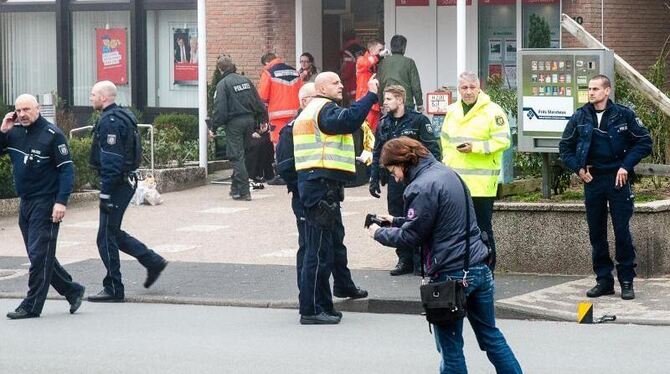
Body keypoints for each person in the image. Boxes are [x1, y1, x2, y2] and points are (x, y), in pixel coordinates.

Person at [369, 137, 522, 374]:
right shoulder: (448, 174)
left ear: (404, 162)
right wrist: (395, 221)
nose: (395, 177)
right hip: (479, 267)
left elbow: (411, 237)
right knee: (491, 337)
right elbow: (438, 221)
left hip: (449, 274)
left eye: (393, 170)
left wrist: (378, 233)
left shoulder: (420, 186)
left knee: (450, 349)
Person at [559, 74, 652, 300]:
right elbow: (565, 147)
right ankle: (603, 280)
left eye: (595, 89)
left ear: (607, 91)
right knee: (596, 233)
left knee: (622, 231)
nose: (591, 93)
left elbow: (644, 142)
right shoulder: (580, 116)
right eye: (589, 89)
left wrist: (625, 166)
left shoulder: (623, 114)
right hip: (593, 180)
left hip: (618, 179)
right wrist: (578, 169)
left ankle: (627, 281)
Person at [293, 72, 373, 325]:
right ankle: (312, 310)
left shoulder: (310, 112)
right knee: (317, 253)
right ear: (321, 88)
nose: (341, 85)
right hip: (319, 187)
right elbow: (349, 120)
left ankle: (323, 305)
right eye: (336, 83)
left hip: (317, 185)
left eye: (341, 81)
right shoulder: (323, 109)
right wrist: (370, 95)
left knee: (323, 250)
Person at [277, 82, 366, 303]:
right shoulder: (293, 127)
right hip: (309, 195)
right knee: (312, 248)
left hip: (326, 192)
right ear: (304, 101)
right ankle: (310, 298)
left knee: (335, 242)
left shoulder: (316, 120)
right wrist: (307, 189)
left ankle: (343, 285)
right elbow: (286, 167)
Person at [1, 95, 85, 319]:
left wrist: (61, 202)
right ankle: (72, 290)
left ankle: (32, 305)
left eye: (27, 109)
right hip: (26, 202)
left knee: (39, 256)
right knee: (41, 255)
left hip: (46, 202)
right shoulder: (14, 132)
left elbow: (66, 170)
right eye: (18, 110)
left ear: (37, 109)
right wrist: (3, 131)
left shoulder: (52, 135)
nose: (22, 114)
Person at [87, 81, 168, 302]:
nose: (90, 97)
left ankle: (114, 287)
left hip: (117, 185)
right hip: (124, 183)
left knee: (105, 237)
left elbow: (112, 161)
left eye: (93, 94)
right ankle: (152, 261)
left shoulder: (110, 122)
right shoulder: (120, 115)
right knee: (112, 233)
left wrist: (105, 193)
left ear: (104, 97)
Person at [441, 72, 511, 271]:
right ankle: (464, 269)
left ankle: (488, 270)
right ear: (459, 89)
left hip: (481, 185)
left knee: (482, 230)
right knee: (457, 229)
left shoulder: (493, 111)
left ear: (479, 87)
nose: (469, 92)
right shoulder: (452, 110)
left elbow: (503, 141)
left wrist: (476, 148)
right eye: (464, 88)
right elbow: (445, 140)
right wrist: (446, 163)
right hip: (456, 183)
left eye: (472, 87)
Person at [370, 85, 441, 276]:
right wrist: (374, 178)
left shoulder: (418, 120)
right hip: (395, 181)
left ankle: (421, 260)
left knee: (417, 216)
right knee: (396, 215)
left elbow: (433, 149)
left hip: (416, 178)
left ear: (400, 100)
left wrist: (433, 176)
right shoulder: (384, 123)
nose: (385, 103)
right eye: (384, 99)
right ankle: (404, 259)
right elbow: (377, 152)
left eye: (389, 99)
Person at [212, 56, 269, 200]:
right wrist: (263, 119)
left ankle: (244, 192)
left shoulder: (223, 84)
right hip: (249, 121)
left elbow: (220, 109)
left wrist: (213, 127)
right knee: (243, 155)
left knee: (236, 157)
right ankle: (235, 189)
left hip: (234, 124)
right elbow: (258, 101)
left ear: (220, 69)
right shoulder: (245, 81)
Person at [258, 52, 303, 144]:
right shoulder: (295, 72)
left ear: (266, 63)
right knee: (294, 141)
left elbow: (262, 97)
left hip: (277, 116)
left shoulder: (268, 73)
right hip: (296, 114)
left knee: (278, 143)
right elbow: (302, 92)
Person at [377, 34, 423, 111]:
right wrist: (419, 104)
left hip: (389, 103)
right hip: (406, 103)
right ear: (403, 47)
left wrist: (381, 103)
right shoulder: (409, 62)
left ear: (391, 47)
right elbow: (416, 86)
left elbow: (380, 85)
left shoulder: (383, 63)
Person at [356, 39, 387, 133]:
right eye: (380, 50)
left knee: (373, 131)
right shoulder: (361, 60)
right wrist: (379, 56)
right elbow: (366, 63)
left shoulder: (377, 63)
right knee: (366, 130)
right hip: (365, 100)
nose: (382, 52)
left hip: (374, 102)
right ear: (371, 49)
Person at [339, 30, 365, 105]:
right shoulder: (361, 49)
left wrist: (339, 76)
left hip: (352, 85)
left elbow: (348, 70)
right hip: (362, 84)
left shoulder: (348, 51)